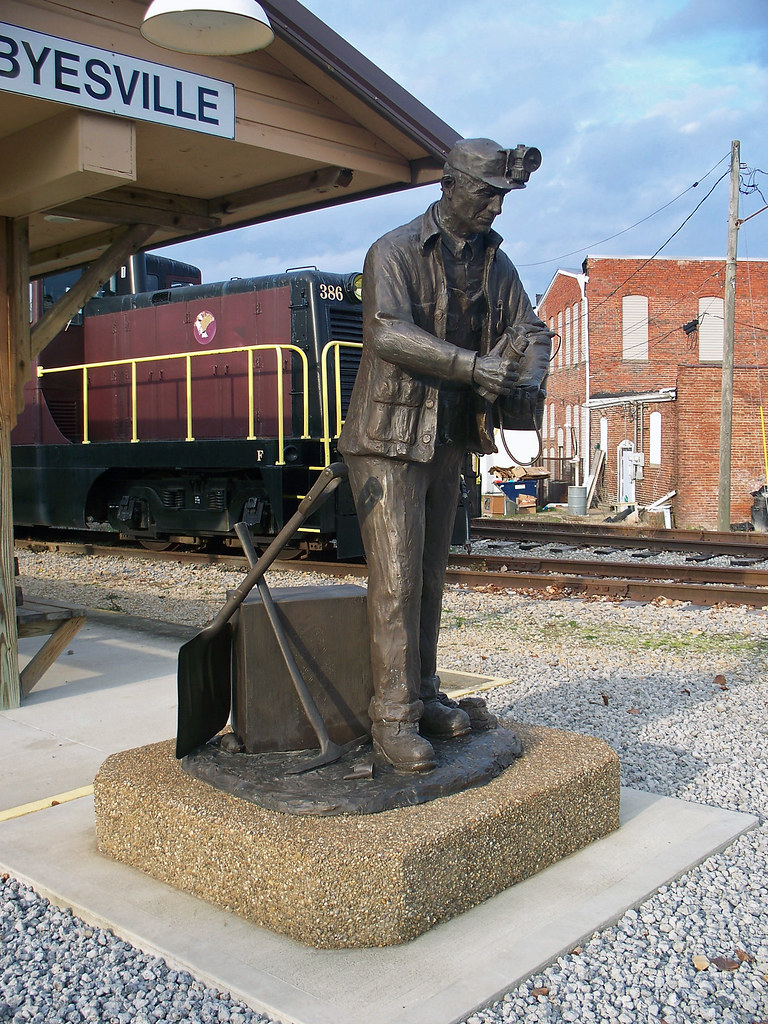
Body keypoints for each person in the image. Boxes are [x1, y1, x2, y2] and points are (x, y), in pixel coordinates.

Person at [338, 138, 552, 772]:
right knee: (397, 583)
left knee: (430, 579)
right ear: (450, 185)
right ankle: (392, 718)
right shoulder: (396, 250)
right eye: (487, 194)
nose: (496, 208)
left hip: (447, 437)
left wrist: (526, 381)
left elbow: (531, 328)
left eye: (503, 196)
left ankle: (425, 696)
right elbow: (385, 330)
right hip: (389, 440)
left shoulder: (494, 263)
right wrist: (473, 366)